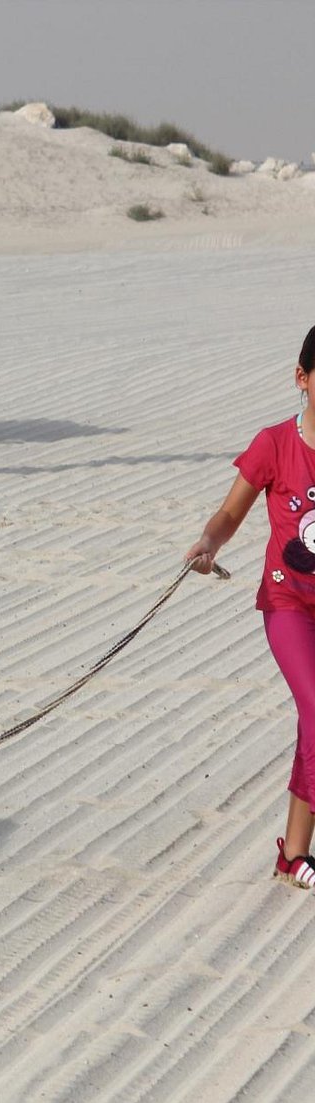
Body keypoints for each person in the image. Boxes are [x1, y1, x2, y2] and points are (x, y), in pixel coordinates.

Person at [187, 325, 315, 888]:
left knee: (314, 725)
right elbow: (230, 514)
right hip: (288, 605)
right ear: (302, 379)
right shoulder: (274, 443)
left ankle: (292, 858)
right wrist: (209, 544)